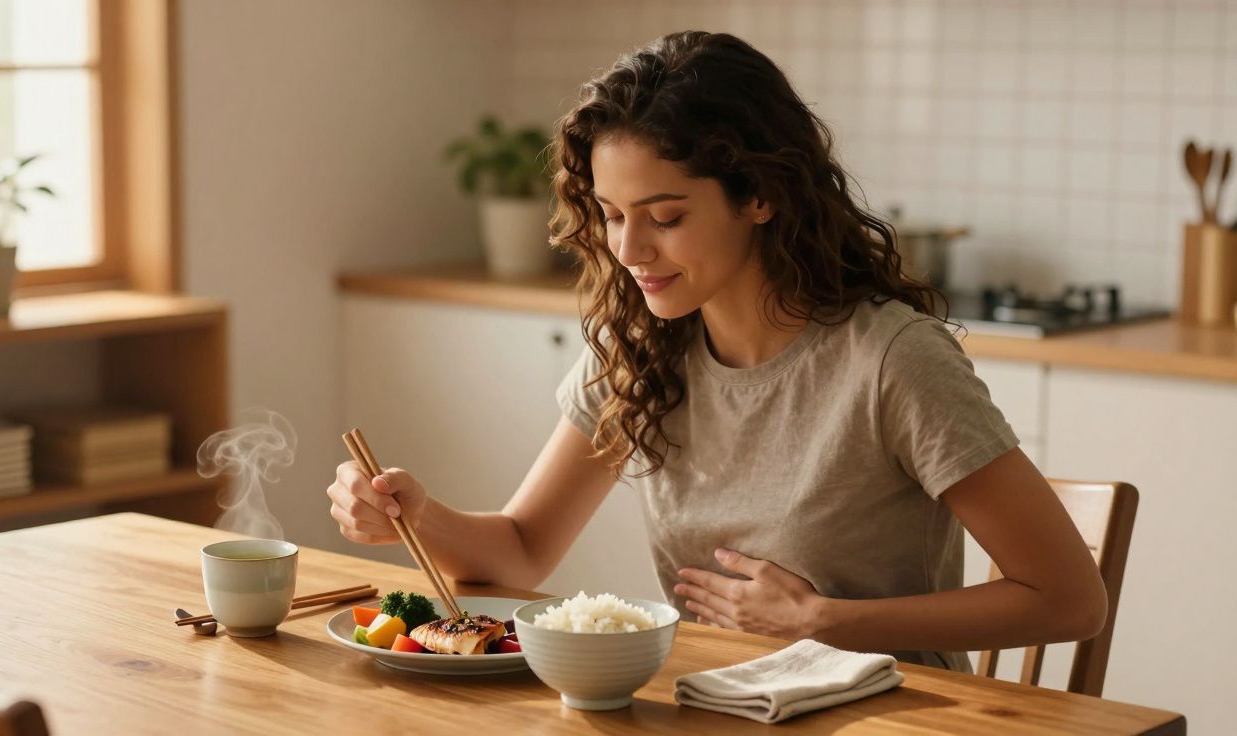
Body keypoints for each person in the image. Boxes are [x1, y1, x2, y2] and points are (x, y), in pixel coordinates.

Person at [327, 31, 1106, 672]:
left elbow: (1071, 598)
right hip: (711, 706)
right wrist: (418, 515)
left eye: (664, 216)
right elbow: (522, 554)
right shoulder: (639, 353)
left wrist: (820, 618)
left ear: (761, 195)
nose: (630, 249)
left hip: (889, 718)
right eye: (610, 214)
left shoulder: (892, 361)